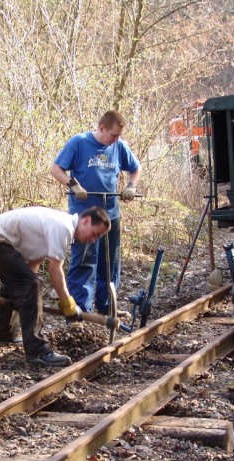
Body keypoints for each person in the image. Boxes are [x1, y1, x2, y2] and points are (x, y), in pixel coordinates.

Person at [0, 206, 111, 367]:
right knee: (30, 285)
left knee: (22, 282)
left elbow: (34, 260)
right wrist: (68, 304)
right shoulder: (64, 227)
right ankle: (38, 351)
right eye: (95, 234)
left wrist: (23, 294)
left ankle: (2, 334)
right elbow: (55, 270)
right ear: (86, 220)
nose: (93, 240)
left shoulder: (61, 224)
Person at [49, 110, 141, 315]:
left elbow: (135, 168)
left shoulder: (119, 146)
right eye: (113, 135)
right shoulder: (79, 143)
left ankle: (107, 306)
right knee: (84, 261)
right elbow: (56, 169)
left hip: (111, 215)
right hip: (85, 216)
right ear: (101, 128)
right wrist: (74, 185)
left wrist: (131, 186)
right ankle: (81, 310)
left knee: (110, 263)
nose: (116, 139)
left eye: (119, 136)